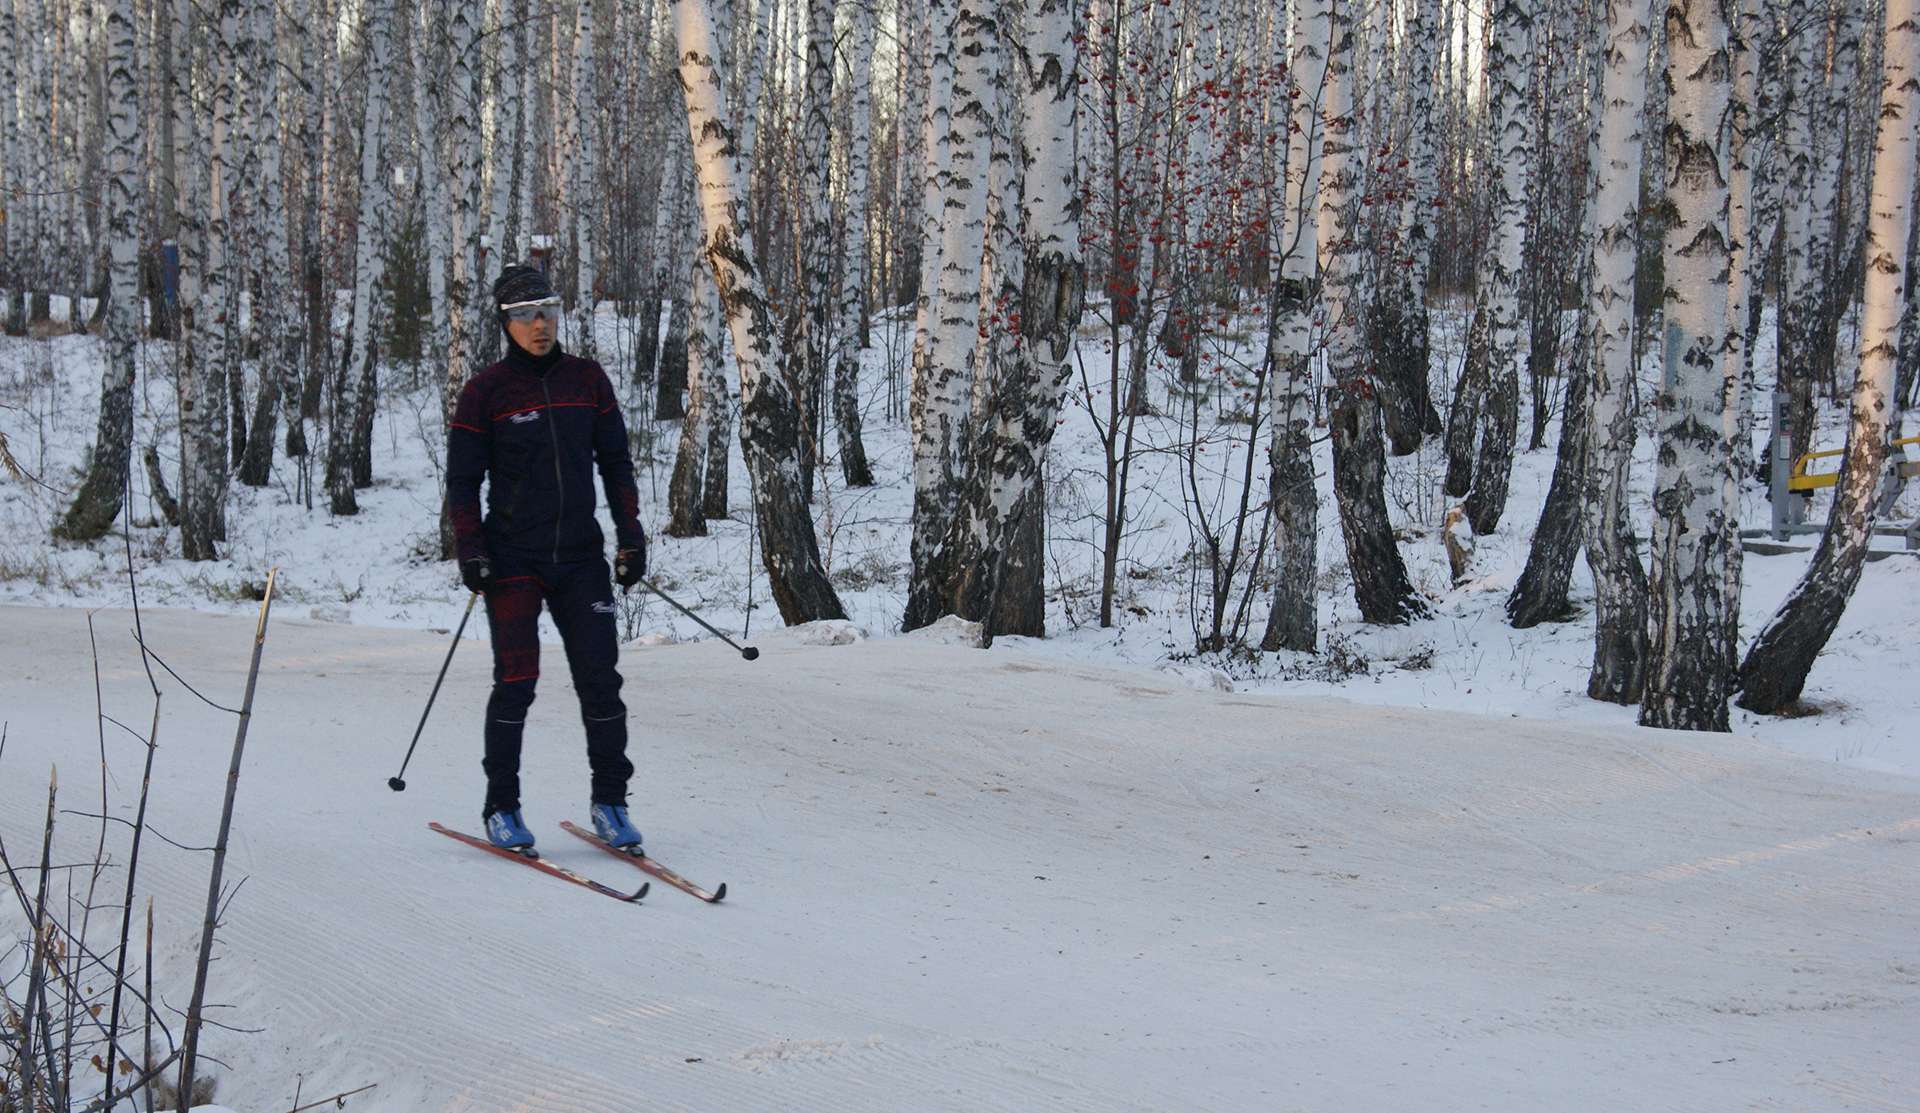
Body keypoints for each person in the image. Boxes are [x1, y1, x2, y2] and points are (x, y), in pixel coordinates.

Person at [446, 264, 648, 854]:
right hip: (512, 559)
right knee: (516, 681)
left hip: (580, 557)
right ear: (505, 322)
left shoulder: (587, 380)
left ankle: (611, 803)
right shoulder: (486, 392)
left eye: (549, 311)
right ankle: (501, 809)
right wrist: (472, 550)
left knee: (601, 682)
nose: (540, 325)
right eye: (526, 315)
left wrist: (630, 538)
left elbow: (616, 464)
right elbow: (462, 483)